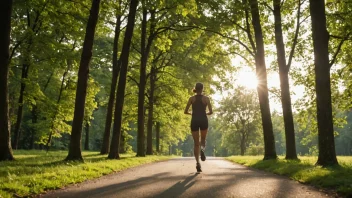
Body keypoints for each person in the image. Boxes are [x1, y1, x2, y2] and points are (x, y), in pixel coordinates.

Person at [184, 82, 213, 172]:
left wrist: (192, 113)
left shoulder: (191, 99)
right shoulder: (206, 99)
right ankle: (202, 149)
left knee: (196, 143)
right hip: (204, 120)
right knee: (203, 140)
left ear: (195, 89)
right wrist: (205, 113)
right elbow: (211, 112)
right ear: (202, 89)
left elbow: (185, 111)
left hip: (195, 120)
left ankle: (197, 163)